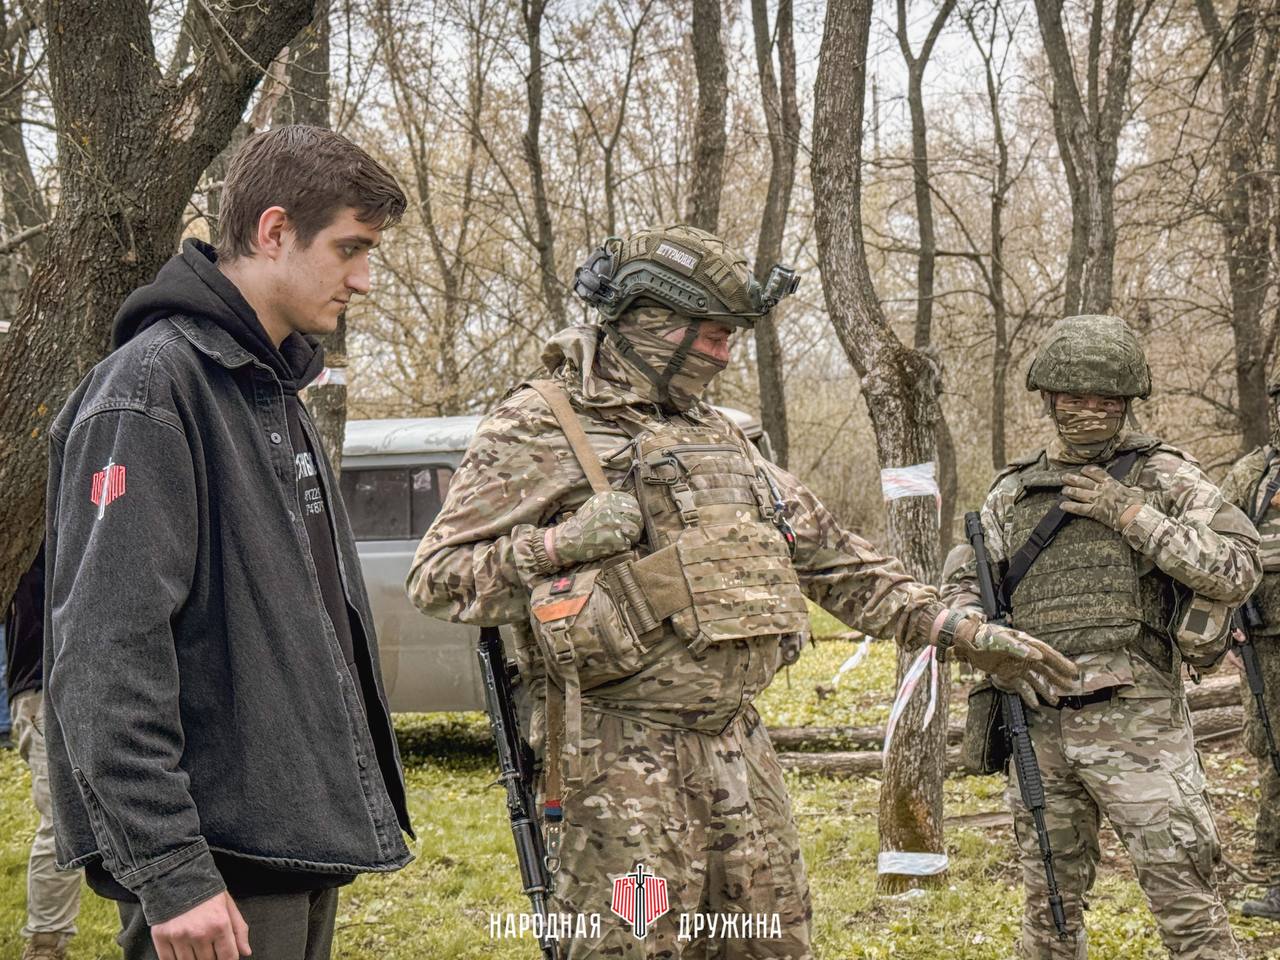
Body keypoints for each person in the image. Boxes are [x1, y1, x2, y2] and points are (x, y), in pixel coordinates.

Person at [406, 224, 1077, 958]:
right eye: (713, 336)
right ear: (649, 322)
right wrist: (558, 545)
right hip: (619, 762)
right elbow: (438, 580)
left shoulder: (725, 436)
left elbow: (838, 563)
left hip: (739, 751)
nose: (726, 356)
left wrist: (966, 634)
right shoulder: (542, 424)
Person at [43, 125, 413, 960]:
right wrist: (173, 870)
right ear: (275, 231)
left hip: (291, 843)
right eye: (350, 248)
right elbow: (105, 653)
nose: (364, 278)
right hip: (216, 870)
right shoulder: (148, 393)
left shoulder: (271, 389)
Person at [942, 314, 1259, 960]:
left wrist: (1134, 517)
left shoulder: (1161, 476)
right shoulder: (1012, 491)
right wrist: (973, 630)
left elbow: (1239, 566)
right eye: (1075, 398)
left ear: (1126, 402)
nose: (1089, 411)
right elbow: (966, 583)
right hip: (1042, 729)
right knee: (1050, 917)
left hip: (1140, 729)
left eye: (1105, 400)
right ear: (1050, 399)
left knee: (1190, 910)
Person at [1218, 372, 1280, 921]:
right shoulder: (1253, 473)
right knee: (1272, 750)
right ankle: (1273, 872)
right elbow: (1217, 550)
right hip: (1267, 638)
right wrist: (1229, 622)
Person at [7, 543, 83, 960]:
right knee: (61, 820)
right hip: (42, 687)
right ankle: (45, 946)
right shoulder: (31, 519)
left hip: (63, 682)